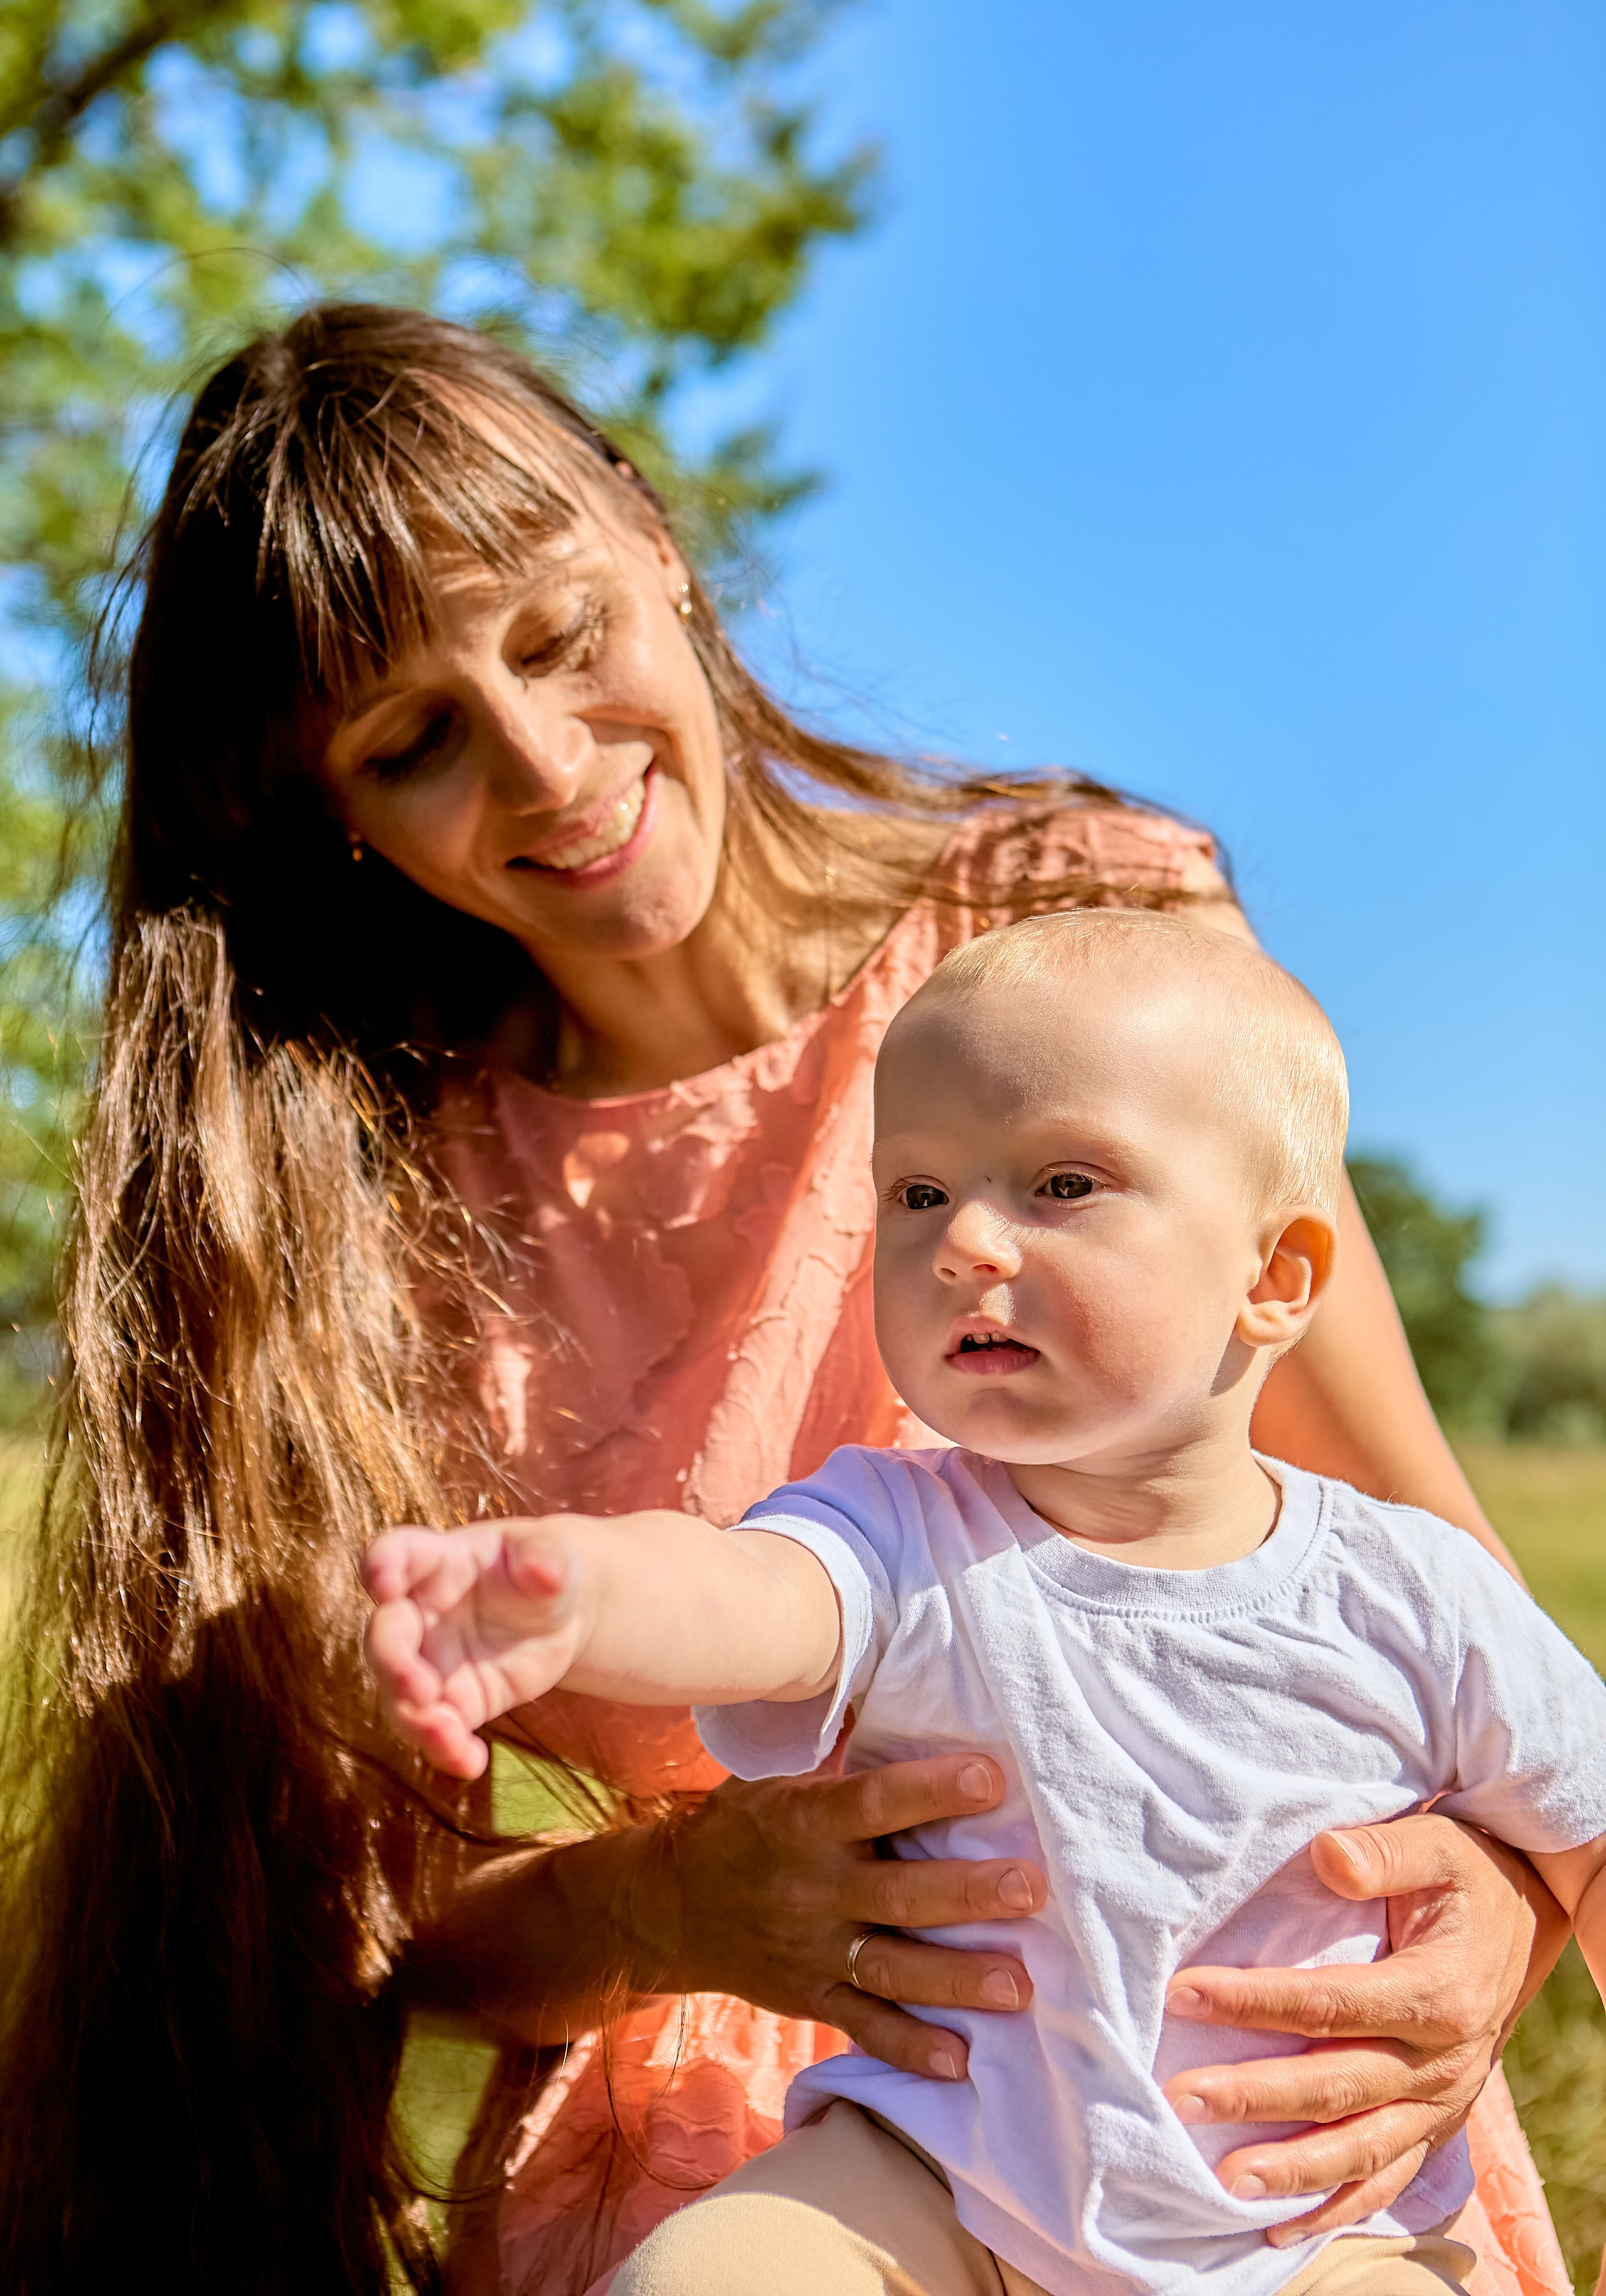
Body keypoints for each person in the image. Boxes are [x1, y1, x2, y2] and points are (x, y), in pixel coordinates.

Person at [0, 305, 1570, 2296]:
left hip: (1245, 2074)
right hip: (756, 2151)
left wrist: (1511, 1897)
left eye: (563, 636)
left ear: (657, 546)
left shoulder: (1071, 933)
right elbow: (407, 1929)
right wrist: (682, 1897)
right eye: (419, 742)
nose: (551, 768)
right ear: (340, 811)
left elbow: (1426, 1570)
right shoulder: (384, 1208)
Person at [364, 912, 1606, 2296]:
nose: (962, 1243)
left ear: (1271, 1278)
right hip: (933, 2182)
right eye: (915, 1193)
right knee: (706, 2275)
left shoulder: (1410, 1591)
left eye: (1061, 1184)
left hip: (1309, 2229)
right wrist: (580, 1592)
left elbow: (1591, 1822)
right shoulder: (901, 1527)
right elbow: (746, 1592)